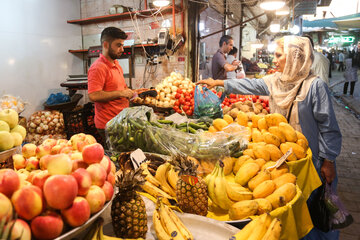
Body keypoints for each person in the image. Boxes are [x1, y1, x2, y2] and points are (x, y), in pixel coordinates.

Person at [198, 36, 341, 240]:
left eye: (279, 55)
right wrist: (218, 82)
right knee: (289, 202)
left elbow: (329, 127)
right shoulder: (277, 81)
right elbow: (250, 85)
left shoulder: (315, 87)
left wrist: (329, 160)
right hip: (282, 157)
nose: (275, 60)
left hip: (311, 161)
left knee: (314, 209)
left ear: (294, 57)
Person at [88, 27, 135, 143]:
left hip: (120, 121)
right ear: (105, 45)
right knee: (115, 158)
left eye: (122, 45)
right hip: (108, 125)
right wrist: (121, 93)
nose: (122, 49)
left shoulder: (116, 64)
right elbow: (93, 95)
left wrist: (133, 93)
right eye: (118, 45)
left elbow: (122, 88)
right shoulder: (98, 67)